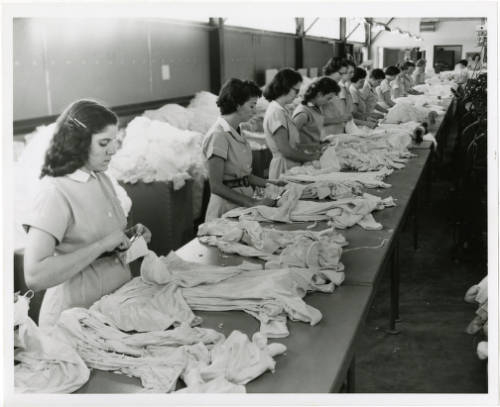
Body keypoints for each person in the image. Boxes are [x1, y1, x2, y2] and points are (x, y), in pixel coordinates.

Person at [23, 99, 152, 329]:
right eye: (104, 143)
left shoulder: (100, 177)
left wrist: (130, 238)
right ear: (79, 143)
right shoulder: (55, 192)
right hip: (74, 319)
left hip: (111, 308)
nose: (113, 150)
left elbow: (95, 236)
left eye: (114, 141)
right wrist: (103, 244)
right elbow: (35, 275)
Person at [202, 78, 280, 220]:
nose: (255, 111)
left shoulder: (237, 131)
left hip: (241, 201)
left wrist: (272, 184)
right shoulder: (218, 135)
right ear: (238, 105)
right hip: (225, 208)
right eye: (252, 106)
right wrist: (254, 203)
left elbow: (243, 176)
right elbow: (216, 186)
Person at [263, 68, 319, 179]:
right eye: (296, 91)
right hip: (283, 167)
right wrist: (312, 158)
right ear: (286, 87)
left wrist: (314, 147)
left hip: (290, 164)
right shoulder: (276, 113)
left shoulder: (282, 110)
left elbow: (292, 144)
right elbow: (286, 150)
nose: (298, 95)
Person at [292, 77, 340, 149]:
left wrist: (321, 143)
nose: (329, 101)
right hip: (304, 155)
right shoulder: (303, 114)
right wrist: (316, 146)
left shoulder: (316, 108)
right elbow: (289, 142)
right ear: (319, 94)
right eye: (328, 98)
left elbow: (312, 133)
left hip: (314, 150)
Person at [321, 57, 354, 134]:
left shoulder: (335, 87)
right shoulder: (321, 87)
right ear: (332, 71)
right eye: (341, 73)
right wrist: (340, 119)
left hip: (336, 133)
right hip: (325, 135)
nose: (342, 76)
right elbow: (312, 119)